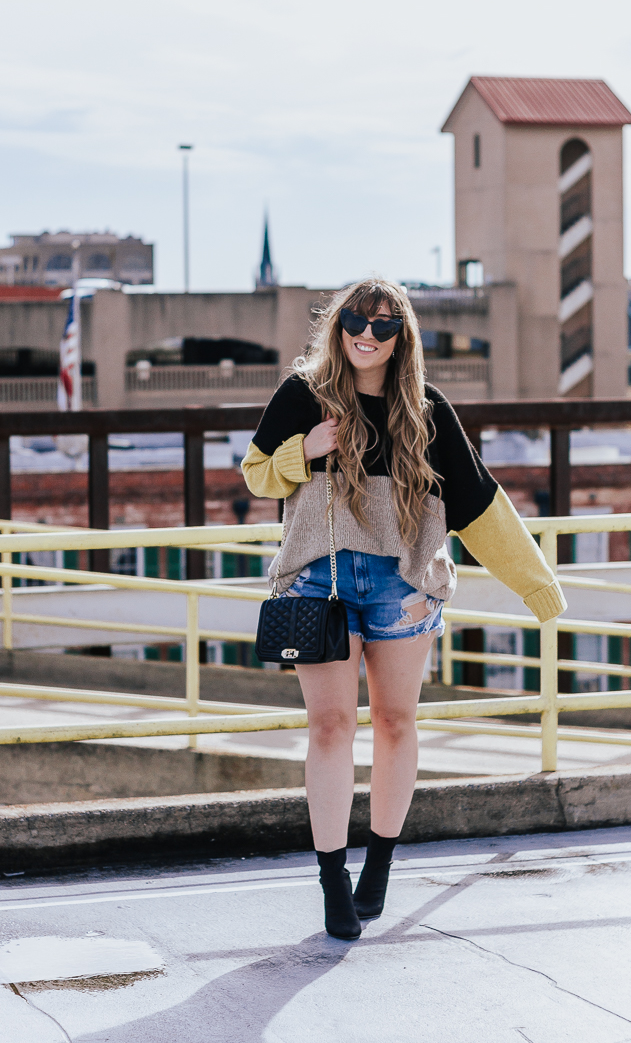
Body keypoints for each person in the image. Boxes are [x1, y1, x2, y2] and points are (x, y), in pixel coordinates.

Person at [242, 278, 566, 939]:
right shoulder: (304, 394)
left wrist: (537, 586)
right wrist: (303, 451)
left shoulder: (426, 409)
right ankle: (333, 879)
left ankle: (379, 866)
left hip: (404, 586)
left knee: (394, 723)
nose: (367, 334)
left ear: (401, 336)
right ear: (339, 324)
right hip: (320, 584)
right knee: (330, 727)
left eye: (384, 325)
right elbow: (254, 474)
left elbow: (480, 507)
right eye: (357, 320)